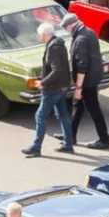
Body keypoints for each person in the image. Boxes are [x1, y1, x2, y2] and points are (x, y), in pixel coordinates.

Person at [63, 13, 109, 149]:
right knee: (77, 107)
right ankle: (70, 135)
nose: (66, 30)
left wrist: (79, 87)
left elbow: (82, 65)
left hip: (87, 81)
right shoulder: (89, 32)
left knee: (94, 109)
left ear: (71, 25)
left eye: (66, 27)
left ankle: (104, 139)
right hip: (93, 77)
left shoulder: (80, 39)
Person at [24, 22, 73, 157]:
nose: (40, 38)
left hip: (53, 89)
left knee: (40, 116)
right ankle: (68, 144)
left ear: (45, 35)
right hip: (62, 86)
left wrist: (43, 83)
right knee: (63, 115)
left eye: (40, 35)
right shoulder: (60, 45)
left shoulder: (52, 48)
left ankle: (36, 147)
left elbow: (56, 70)